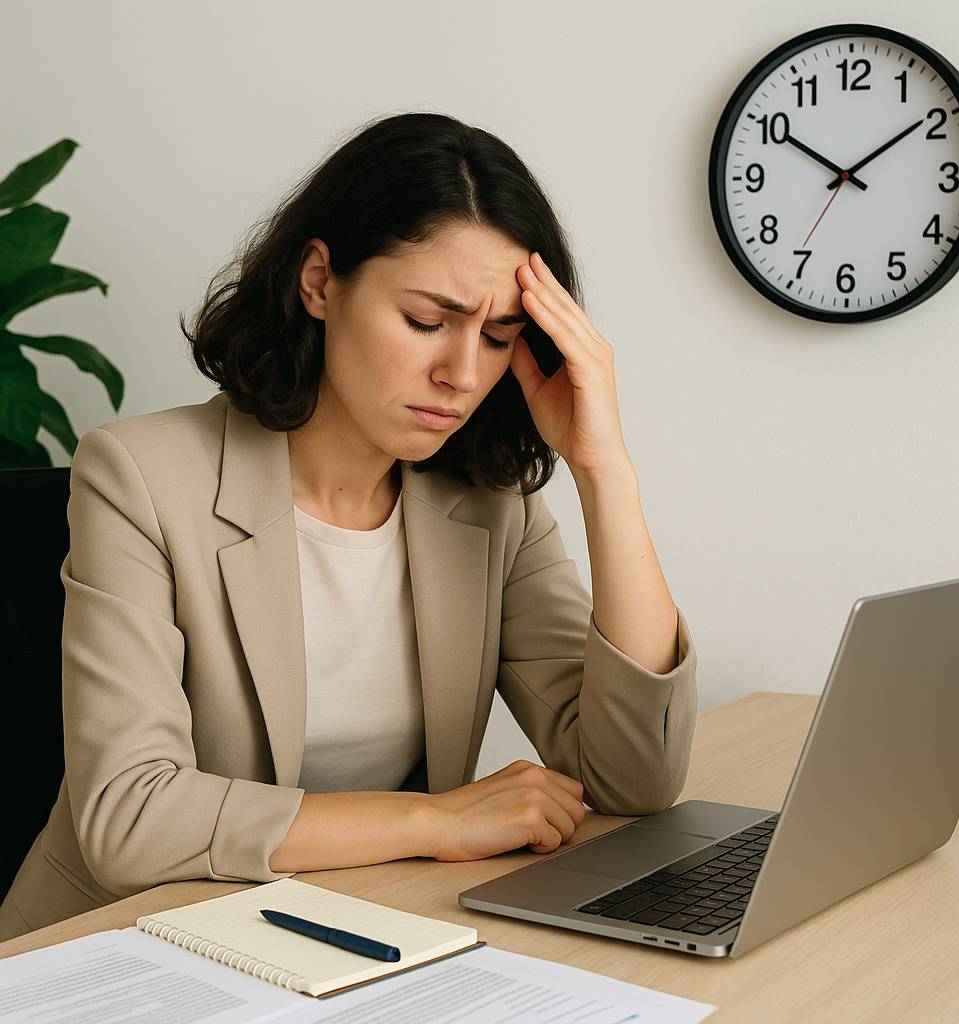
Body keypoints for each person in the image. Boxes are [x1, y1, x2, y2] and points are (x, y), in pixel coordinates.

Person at [0, 112, 697, 941]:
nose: (462, 373)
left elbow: (634, 779)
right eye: (427, 322)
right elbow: (131, 817)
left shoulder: (489, 503)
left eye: (500, 336)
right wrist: (436, 822)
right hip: (120, 946)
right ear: (321, 281)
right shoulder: (140, 476)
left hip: (347, 934)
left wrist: (604, 470)